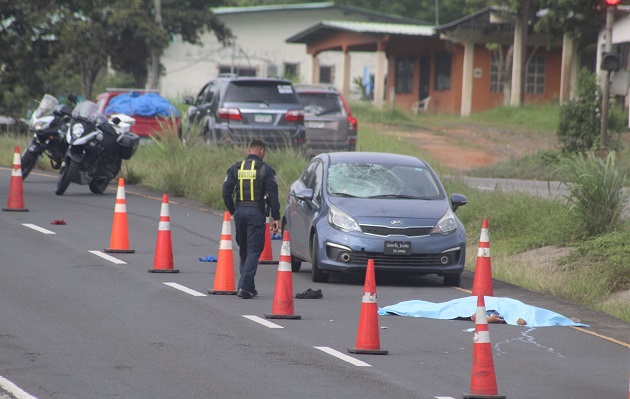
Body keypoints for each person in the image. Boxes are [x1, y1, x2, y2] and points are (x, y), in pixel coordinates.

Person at [222, 139, 280, 299]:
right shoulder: (266, 169)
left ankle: (249, 286)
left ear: (249, 151)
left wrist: (233, 210)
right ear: (261, 152)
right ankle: (244, 287)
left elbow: (226, 192)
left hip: (239, 211)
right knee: (254, 250)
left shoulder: (236, 168)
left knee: (244, 249)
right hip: (256, 212)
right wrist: (276, 217)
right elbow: (273, 195)